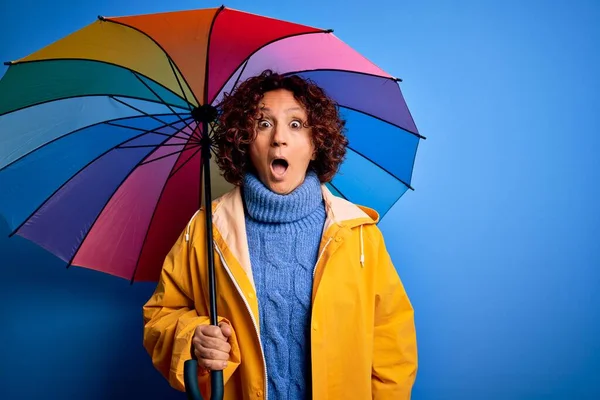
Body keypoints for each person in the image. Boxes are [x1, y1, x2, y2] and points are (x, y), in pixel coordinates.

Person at [142, 69, 418, 399]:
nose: (279, 138)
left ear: (316, 144)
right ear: (245, 142)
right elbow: (160, 318)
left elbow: (392, 345)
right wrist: (191, 337)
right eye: (263, 123)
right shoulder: (205, 231)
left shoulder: (358, 234)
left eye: (296, 124)